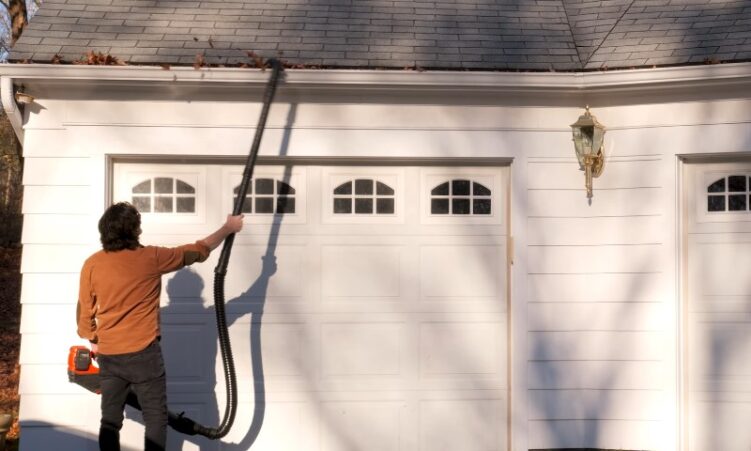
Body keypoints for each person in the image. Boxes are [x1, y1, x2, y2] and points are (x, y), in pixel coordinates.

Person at [76, 202, 244, 451]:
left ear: (106, 230)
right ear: (134, 230)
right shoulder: (151, 258)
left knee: (110, 421)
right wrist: (227, 228)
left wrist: (92, 339)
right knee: (155, 417)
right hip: (144, 356)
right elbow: (198, 250)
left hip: (110, 356)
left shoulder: (93, 263)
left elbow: (84, 308)